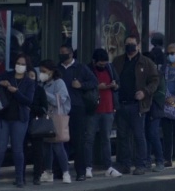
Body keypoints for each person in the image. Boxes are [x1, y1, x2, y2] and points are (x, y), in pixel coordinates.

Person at [113, 35, 159, 175]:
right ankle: (125, 164)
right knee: (122, 135)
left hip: (137, 104)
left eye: (132, 44)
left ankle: (141, 164)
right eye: (127, 44)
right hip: (121, 103)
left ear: (138, 45)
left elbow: (155, 80)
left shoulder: (146, 62)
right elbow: (113, 76)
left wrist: (145, 92)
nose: (129, 46)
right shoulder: (118, 61)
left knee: (139, 135)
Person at [0, 53, 36, 188]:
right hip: (3, 117)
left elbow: (28, 101)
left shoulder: (29, 82)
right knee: (0, 149)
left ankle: (19, 178)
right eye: (18, 63)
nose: (20, 66)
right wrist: (0, 82)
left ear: (27, 66)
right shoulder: (7, 75)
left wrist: (16, 91)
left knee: (17, 149)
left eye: (23, 64)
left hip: (19, 119)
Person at [58, 42, 98, 178]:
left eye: (64, 52)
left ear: (70, 53)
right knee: (61, 140)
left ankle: (80, 172)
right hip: (61, 109)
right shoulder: (58, 69)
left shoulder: (81, 68)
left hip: (77, 107)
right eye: (60, 52)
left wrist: (81, 85)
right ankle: (61, 171)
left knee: (78, 140)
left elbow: (94, 82)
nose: (61, 55)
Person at [36, 60, 73, 183]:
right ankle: (48, 171)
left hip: (56, 117)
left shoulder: (59, 83)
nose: (42, 74)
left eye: (44, 72)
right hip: (45, 117)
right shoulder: (41, 84)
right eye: (40, 71)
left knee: (58, 145)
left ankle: (66, 172)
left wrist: (44, 94)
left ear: (51, 72)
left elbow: (61, 100)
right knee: (46, 145)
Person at [86, 49, 119, 178]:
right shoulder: (88, 69)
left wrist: (115, 85)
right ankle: (88, 166)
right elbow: (83, 85)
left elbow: (117, 82)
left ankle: (108, 166)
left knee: (106, 138)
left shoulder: (110, 68)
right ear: (94, 62)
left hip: (108, 108)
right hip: (93, 108)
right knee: (89, 138)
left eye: (104, 63)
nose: (103, 66)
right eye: (100, 64)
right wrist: (97, 86)